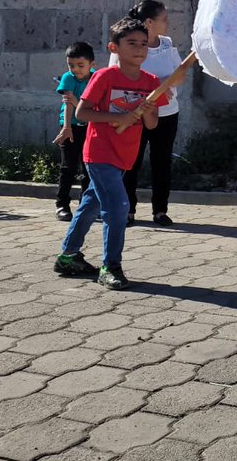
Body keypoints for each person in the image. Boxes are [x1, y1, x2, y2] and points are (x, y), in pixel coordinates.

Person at [53, 17, 165, 290]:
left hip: (125, 154)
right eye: (131, 43)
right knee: (118, 207)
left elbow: (152, 125)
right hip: (100, 152)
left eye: (143, 43)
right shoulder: (105, 76)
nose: (139, 49)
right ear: (114, 47)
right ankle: (110, 266)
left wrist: (149, 112)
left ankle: (68, 257)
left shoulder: (151, 82)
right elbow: (83, 112)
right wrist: (119, 115)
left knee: (91, 203)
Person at [113, 0, 185, 227]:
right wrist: (155, 91)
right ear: (149, 22)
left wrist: (166, 85)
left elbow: (180, 73)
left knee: (162, 161)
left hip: (167, 113)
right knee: (130, 161)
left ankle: (160, 210)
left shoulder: (167, 44)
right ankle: (128, 209)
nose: (168, 23)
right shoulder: (127, 43)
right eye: (164, 19)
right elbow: (118, 77)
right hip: (134, 114)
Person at [53, 41, 96, 222]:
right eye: (71, 65)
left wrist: (76, 102)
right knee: (67, 168)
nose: (75, 69)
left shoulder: (96, 78)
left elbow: (88, 109)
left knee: (89, 169)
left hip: (90, 127)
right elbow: (68, 104)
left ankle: (84, 205)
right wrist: (66, 128)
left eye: (80, 65)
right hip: (70, 128)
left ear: (91, 65)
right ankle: (62, 204)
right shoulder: (68, 78)